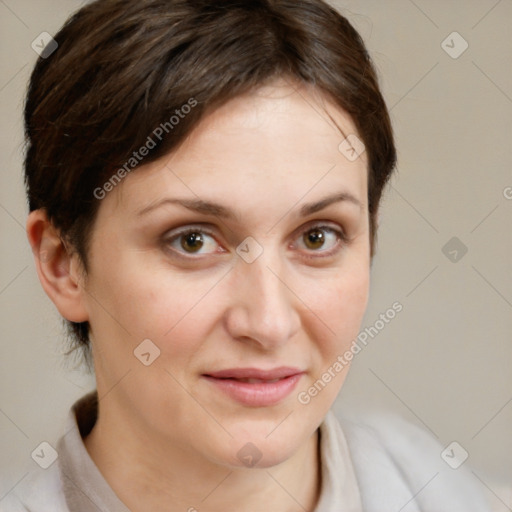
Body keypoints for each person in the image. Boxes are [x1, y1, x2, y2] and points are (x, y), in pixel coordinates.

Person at [2, 0, 489, 510]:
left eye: (318, 237)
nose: (269, 323)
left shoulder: (442, 488)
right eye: (192, 240)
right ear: (64, 266)